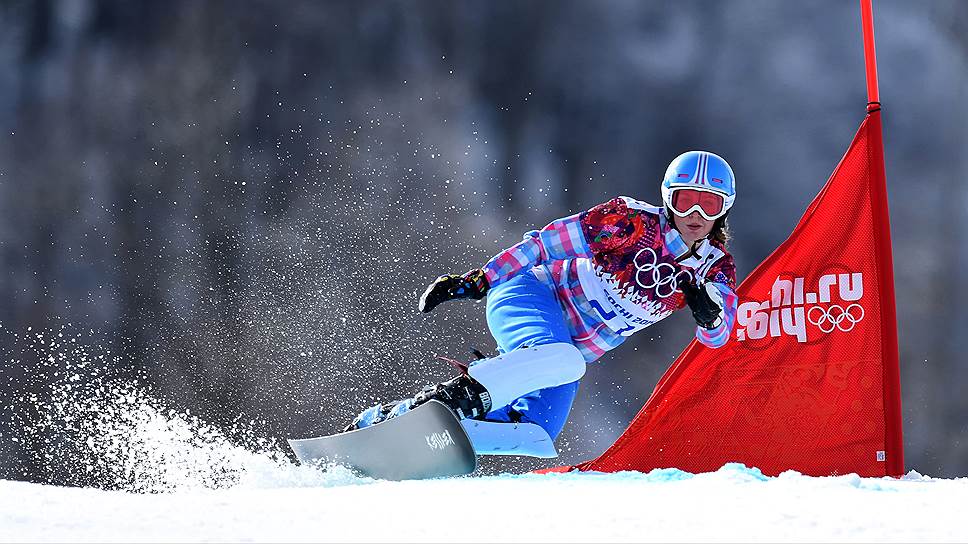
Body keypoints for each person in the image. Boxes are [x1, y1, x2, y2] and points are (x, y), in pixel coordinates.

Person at [345, 150, 738, 458]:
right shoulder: (629, 223)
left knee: (535, 434)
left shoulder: (715, 267)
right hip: (529, 294)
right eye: (687, 201)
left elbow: (720, 335)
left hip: (561, 352)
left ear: (725, 208)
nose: (697, 215)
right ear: (669, 199)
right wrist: (480, 279)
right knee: (567, 360)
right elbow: (543, 245)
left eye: (710, 204)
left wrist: (709, 314)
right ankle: (441, 402)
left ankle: (408, 434)